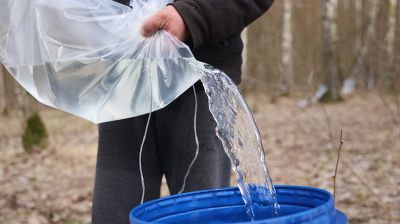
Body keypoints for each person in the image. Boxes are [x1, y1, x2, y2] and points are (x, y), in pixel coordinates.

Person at [92, 0, 274, 223]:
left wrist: (192, 15)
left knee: (202, 214)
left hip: (200, 76)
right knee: (115, 214)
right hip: (122, 73)